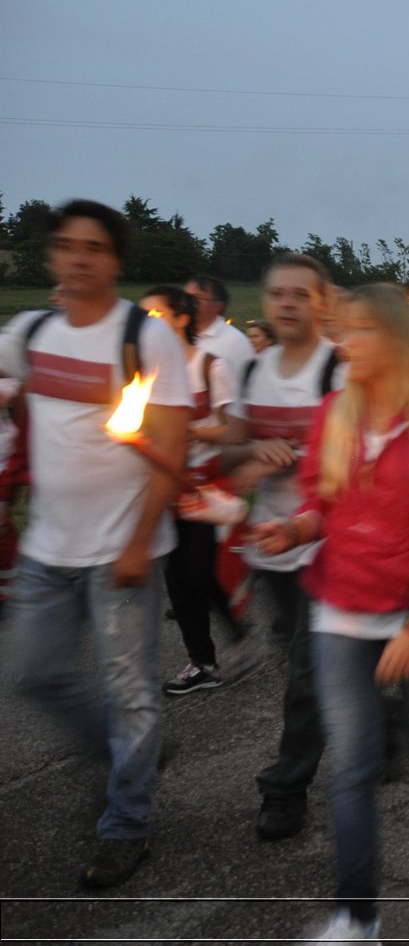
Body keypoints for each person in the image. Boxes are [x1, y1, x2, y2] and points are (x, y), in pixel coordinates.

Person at [253, 284, 409, 941]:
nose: (342, 342)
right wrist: (292, 532)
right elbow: (321, 504)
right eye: (342, 330)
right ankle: (355, 918)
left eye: (357, 330)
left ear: (393, 339)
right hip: (344, 605)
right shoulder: (335, 410)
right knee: (352, 762)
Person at [0, 199, 191, 888]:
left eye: (93, 247)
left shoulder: (147, 336)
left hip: (121, 547)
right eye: (66, 245)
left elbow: (170, 444)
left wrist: (140, 542)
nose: (78, 257)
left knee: (130, 691)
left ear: (114, 259)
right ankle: (122, 758)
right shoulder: (29, 331)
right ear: (51, 256)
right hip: (47, 545)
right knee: (37, 671)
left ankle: (127, 824)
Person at [222, 253, 345, 843]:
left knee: (306, 670)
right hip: (270, 548)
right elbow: (228, 453)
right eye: (278, 295)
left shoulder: (338, 373)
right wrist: (247, 458)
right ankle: (384, 721)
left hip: (328, 544)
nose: (288, 304)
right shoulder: (251, 372)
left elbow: (362, 467)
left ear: (322, 303)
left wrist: (296, 457)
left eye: (301, 294)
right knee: (306, 660)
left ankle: (286, 788)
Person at [137, 285, 251, 695]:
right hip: (163, 487)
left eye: (154, 315)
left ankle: (239, 631)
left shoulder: (208, 365)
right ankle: (202, 662)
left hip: (202, 487)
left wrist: (186, 430)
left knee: (196, 573)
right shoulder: (141, 375)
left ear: (181, 319)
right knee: (178, 579)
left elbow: (234, 430)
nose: (143, 324)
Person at [185, 274, 256, 384]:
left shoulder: (235, 342)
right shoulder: (177, 335)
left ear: (218, 305)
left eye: (196, 298)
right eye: (185, 297)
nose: (187, 303)